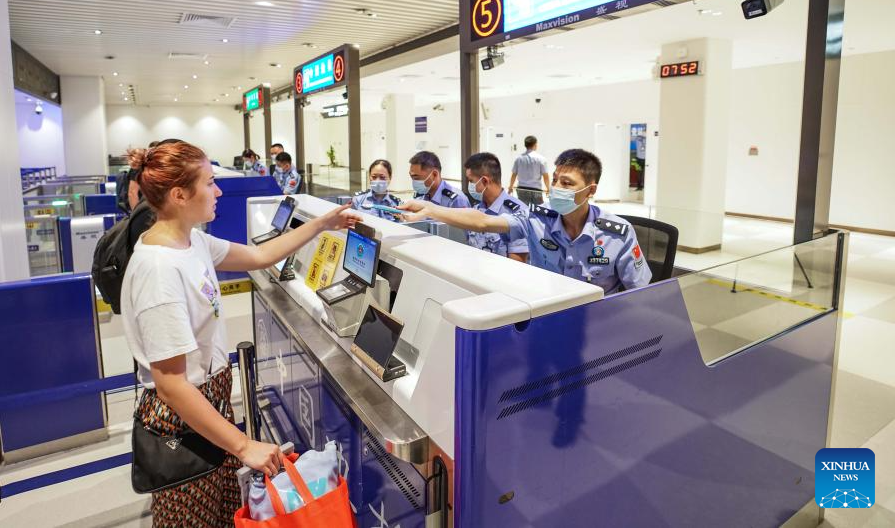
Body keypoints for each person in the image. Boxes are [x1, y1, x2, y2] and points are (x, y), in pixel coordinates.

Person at [121, 140, 360, 526]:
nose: (218, 191)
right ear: (180, 194)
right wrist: (243, 444)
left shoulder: (191, 239)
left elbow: (259, 256)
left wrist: (321, 225)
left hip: (210, 407)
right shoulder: (158, 271)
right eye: (210, 183)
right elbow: (171, 385)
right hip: (182, 422)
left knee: (224, 516)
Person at [400, 149, 651, 294]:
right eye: (555, 180)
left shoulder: (618, 235)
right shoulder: (537, 219)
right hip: (547, 317)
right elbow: (483, 221)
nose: (556, 188)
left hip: (599, 326)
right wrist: (431, 209)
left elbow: (641, 296)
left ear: (590, 190)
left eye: (567, 183)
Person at [463, 152, 529, 263]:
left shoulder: (517, 213)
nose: (469, 185)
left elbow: (516, 267)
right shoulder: (477, 209)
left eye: (471, 181)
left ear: (484, 181)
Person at [508, 135, 550, 206]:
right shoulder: (541, 159)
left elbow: (514, 174)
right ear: (535, 144)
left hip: (521, 189)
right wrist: (548, 188)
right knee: (538, 211)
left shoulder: (519, 158)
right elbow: (545, 176)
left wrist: (510, 187)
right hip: (535, 189)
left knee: (523, 210)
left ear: (525, 145)